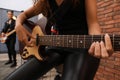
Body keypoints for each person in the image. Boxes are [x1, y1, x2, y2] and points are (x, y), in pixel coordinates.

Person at [5, 0, 113, 80]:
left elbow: (93, 24)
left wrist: (98, 41)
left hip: (83, 46)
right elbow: (23, 15)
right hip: (55, 44)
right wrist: (18, 25)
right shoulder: (44, 1)